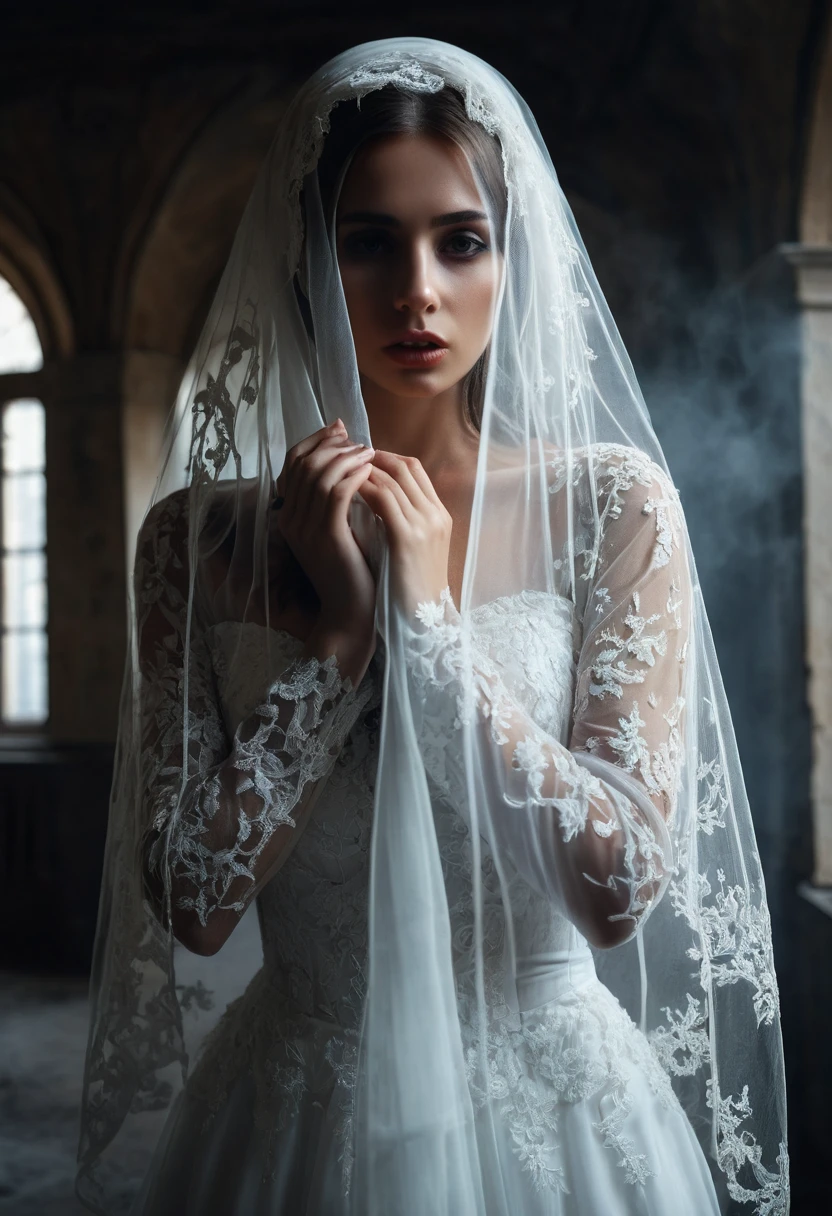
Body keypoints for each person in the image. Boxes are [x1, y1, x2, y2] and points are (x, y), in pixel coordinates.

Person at [76, 38, 789, 1216]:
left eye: (460, 239)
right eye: (368, 239)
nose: (417, 287)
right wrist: (341, 645)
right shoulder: (190, 542)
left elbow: (615, 889)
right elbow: (197, 905)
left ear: (512, 260)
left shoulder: (608, 506)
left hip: (555, 1122)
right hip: (297, 1116)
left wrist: (426, 622)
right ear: (305, 260)